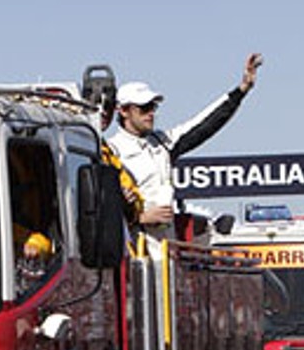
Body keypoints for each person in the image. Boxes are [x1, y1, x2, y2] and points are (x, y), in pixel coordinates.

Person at [108, 53, 262, 236]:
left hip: (166, 246)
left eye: (153, 107)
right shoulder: (111, 151)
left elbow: (205, 123)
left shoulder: (162, 142)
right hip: (132, 246)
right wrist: (138, 217)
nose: (150, 113)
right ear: (123, 110)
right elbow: (101, 206)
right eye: (144, 108)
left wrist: (241, 90)